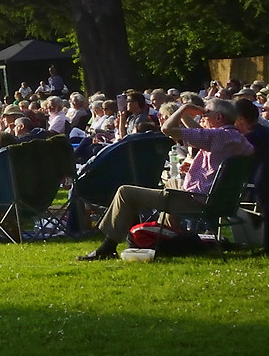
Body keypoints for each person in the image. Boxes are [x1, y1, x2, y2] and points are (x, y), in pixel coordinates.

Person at [76, 97, 255, 260]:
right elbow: (198, 132)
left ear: (219, 118)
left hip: (197, 201)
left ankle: (107, 247)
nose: (202, 118)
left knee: (125, 192)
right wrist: (186, 113)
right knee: (172, 182)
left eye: (206, 115)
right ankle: (170, 235)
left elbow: (167, 129)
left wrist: (183, 108)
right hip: (221, 200)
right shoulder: (237, 139)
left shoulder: (216, 136)